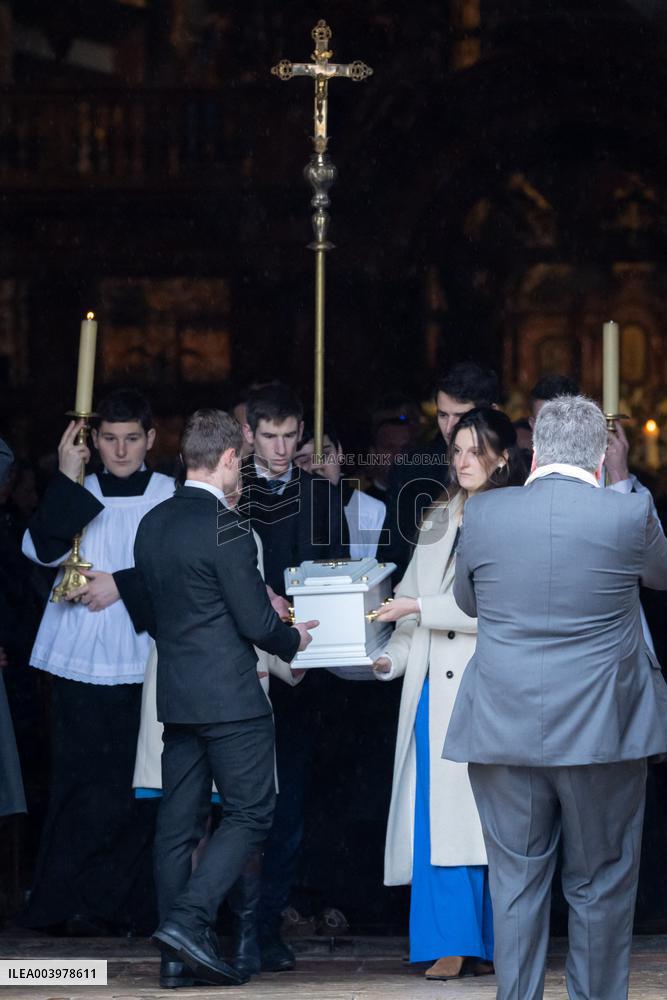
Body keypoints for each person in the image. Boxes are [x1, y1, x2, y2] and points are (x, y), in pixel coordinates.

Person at [444, 395, 667, 1000]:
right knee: (601, 883)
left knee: (514, 885)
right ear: (599, 457)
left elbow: (468, 602)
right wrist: (623, 485)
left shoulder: (483, 516)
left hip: (503, 723)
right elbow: (661, 574)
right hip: (604, 728)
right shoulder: (627, 514)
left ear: (534, 451)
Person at [132, 408, 317, 988]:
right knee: (252, 810)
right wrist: (295, 636)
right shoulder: (230, 527)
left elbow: (160, 612)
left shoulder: (153, 523)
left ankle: (172, 961)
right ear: (231, 458)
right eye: (244, 459)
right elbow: (257, 624)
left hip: (177, 696)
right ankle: (187, 923)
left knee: (177, 824)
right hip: (233, 698)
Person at [372, 408, 526, 981]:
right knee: (436, 821)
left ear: (503, 457)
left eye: (474, 450)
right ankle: (450, 940)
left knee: (492, 824)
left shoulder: (518, 518)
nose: (461, 461)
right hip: (433, 696)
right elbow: (410, 608)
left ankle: (491, 939)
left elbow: (506, 610)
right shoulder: (439, 515)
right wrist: (391, 657)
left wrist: (417, 610)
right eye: (456, 450)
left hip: (490, 690)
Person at [18, 389, 174, 935]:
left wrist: (122, 585)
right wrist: (65, 474)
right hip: (79, 655)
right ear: (92, 441)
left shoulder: (170, 494)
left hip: (145, 655)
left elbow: (189, 568)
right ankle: (69, 903)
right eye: (109, 439)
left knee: (138, 787)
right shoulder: (78, 491)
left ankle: (127, 905)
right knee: (80, 783)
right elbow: (39, 552)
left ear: (151, 439)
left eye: (132, 438)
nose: (121, 450)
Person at [237, 384, 347, 971]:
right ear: (250, 435)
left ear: (302, 433)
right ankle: (236, 924)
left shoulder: (321, 493)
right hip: (246, 664)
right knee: (240, 800)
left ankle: (269, 923)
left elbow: (337, 573)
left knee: (290, 801)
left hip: (303, 665)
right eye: (269, 436)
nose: (281, 448)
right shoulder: (233, 492)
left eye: (289, 436)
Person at [385, 362, 499, 578]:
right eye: (443, 415)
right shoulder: (413, 468)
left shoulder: (512, 469)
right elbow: (395, 550)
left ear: (492, 413)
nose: (449, 428)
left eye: (460, 416)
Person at [294, 413, 387, 559]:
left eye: (324, 455)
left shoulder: (371, 511)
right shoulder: (286, 512)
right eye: (303, 460)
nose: (317, 467)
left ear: (339, 452)